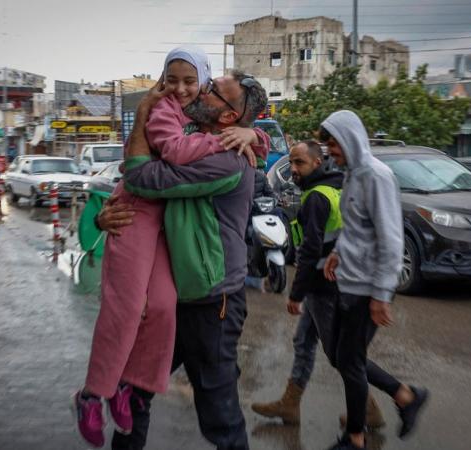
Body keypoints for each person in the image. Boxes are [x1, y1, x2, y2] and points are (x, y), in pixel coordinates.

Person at [73, 48, 269, 449]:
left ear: (230, 116)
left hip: (213, 301)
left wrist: (145, 110)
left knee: (219, 412)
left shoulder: (229, 158)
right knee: (136, 387)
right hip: (179, 292)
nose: (202, 92)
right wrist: (103, 216)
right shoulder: (199, 135)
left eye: (213, 90)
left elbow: (143, 178)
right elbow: (139, 197)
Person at [250, 141, 385, 430]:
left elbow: (310, 250)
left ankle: (386, 400)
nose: (294, 169)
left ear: (317, 162)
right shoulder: (337, 187)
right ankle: (290, 404)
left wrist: (295, 294)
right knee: (304, 342)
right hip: (328, 282)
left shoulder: (317, 197)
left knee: (340, 355)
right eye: (292, 163)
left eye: (300, 163)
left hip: (324, 286)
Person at [321, 111, 429, 450]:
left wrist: (382, 294)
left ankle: (355, 437)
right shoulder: (352, 175)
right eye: (327, 143)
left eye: (334, 142)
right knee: (340, 357)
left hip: (368, 287)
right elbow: (355, 226)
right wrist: (338, 250)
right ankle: (406, 395)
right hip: (348, 280)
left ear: (351, 138)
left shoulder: (378, 177)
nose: (330, 149)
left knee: (350, 362)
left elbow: (391, 238)